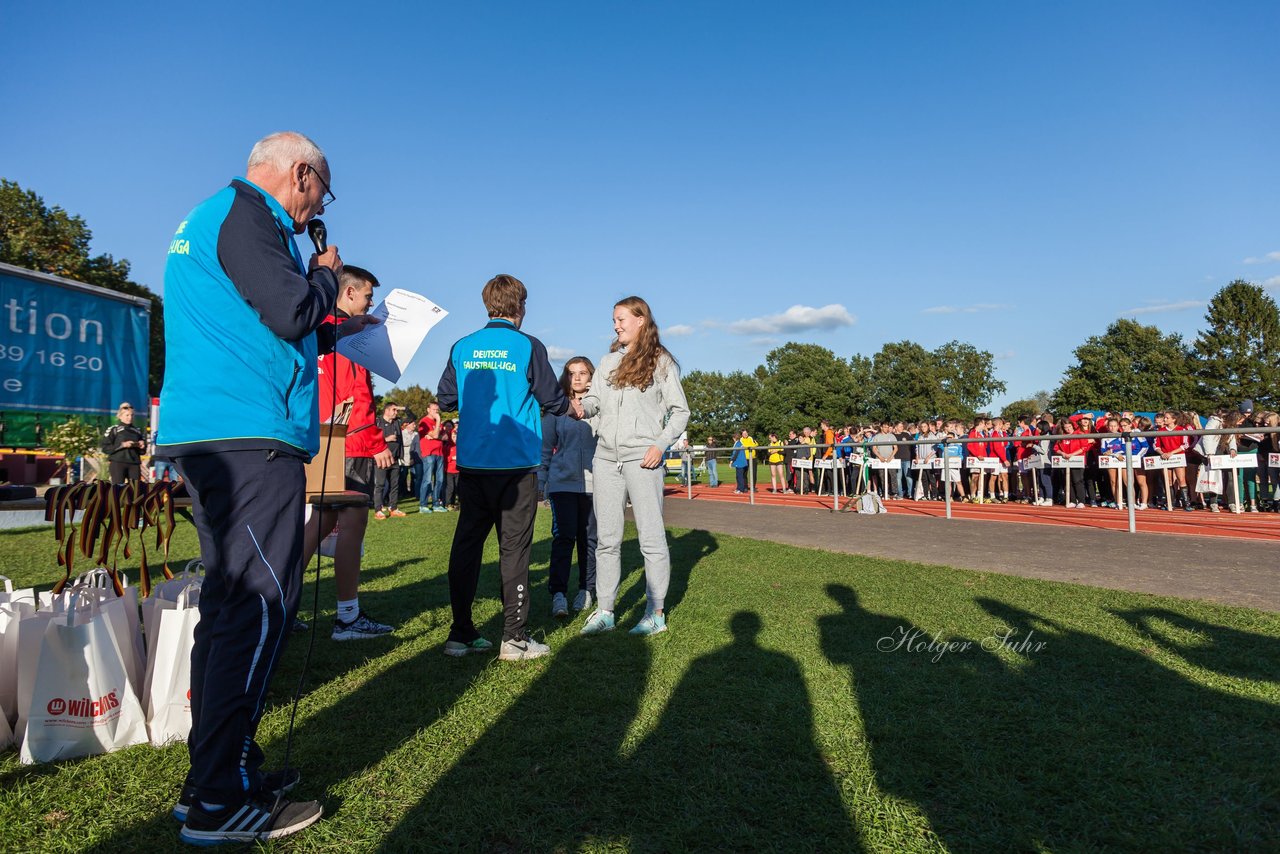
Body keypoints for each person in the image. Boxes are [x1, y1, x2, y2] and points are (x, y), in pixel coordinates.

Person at [157, 131, 369, 843]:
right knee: (257, 607)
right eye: (320, 193)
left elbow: (265, 326)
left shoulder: (212, 217)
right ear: (301, 175)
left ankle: (217, 773)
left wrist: (333, 328)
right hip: (249, 433)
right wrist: (325, 278)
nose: (317, 208)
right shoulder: (249, 214)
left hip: (215, 428)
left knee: (227, 607)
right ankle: (221, 798)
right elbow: (289, 312)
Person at [436, 274, 578, 661]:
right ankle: (514, 638)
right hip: (516, 463)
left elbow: (446, 397)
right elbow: (552, 398)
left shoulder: (462, 345)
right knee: (513, 550)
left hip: (472, 462)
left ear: (488, 305)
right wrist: (573, 409)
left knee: (466, 545)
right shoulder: (527, 345)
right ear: (521, 307)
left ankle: (460, 633)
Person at [579, 296, 688, 637]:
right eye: (614, 319)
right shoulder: (607, 361)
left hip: (643, 458)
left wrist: (659, 444)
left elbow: (680, 411)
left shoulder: (661, 361)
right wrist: (582, 406)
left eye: (621, 318)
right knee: (606, 540)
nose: (616, 325)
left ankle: (655, 613)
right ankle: (605, 610)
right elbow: (595, 402)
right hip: (605, 458)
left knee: (651, 539)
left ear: (641, 319)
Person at [301, 264, 395, 641]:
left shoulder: (314, 330)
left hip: (321, 440)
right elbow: (357, 396)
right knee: (352, 526)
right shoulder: (346, 338)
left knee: (318, 525)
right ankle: (347, 618)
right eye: (369, 295)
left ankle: (280, 606)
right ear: (350, 293)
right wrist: (377, 444)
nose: (371, 303)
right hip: (351, 441)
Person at [539, 356, 598, 617]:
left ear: (591, 377)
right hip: (562, 484)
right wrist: (541, 482)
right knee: (564, 538)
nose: (577, 378)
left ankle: (586, 589)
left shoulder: (603, 408)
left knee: (590, 540)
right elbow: (544, 448)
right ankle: (558, 593)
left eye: (583, 373)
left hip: (595, 485)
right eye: (572, 373)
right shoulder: (556, 410)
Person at [372, 402, 405, 518]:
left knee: (395, 485)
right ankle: (378, 510)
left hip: (395, 459)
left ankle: (393, 508)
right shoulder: (378, 422)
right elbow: (373, 440)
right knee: (380, 485)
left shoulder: (397, 422)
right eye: (393, 410)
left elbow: (412, 417)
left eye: (396, 410)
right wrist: (387, 439)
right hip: (382, 458)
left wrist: (401, 408)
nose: (396, 412)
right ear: (386, 411)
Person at [101, 402, 145, 484]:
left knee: (135, 489)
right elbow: (105, 448)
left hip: (134, 463)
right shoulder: (114, 430)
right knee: (118, 489)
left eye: (132, 415)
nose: (130, 417)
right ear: (120, 416)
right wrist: (122, 445)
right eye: (127, 415)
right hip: (118, 462)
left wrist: (141, 446)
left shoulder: (137, 431)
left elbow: (142, 452)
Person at [416, 402, 448, 512]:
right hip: (429, 453)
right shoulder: (424, 421)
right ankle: (423, 505)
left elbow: (445, 437)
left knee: (439, 480)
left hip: (440, 453)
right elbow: (436, 435)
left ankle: (436, 504)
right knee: (427, 480)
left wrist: (435, 436)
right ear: (428, 410)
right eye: (434, 409)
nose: (436, 412)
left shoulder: (437, 423)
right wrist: (438, 421)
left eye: (437, 410)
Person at [730, 429, 754, 493]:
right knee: (738, 476)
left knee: (740, 476)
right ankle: (739, 488)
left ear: (734, 438)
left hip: (740, 462)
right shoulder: (739, 443)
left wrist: (731, 461)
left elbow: (735, 453)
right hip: (740, 462)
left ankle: (741, 489)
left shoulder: (738, 444)